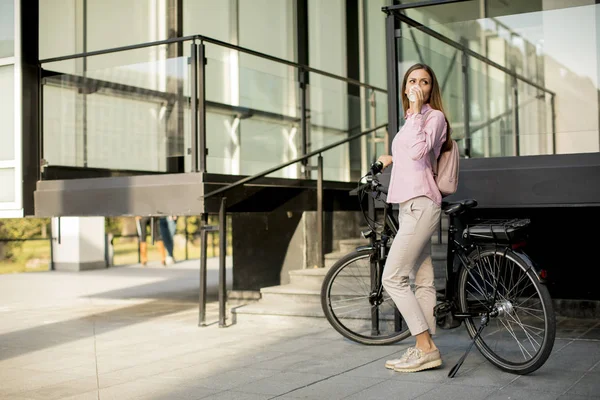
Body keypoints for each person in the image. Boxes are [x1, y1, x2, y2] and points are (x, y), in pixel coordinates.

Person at [375, 63, 453, 373]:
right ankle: (426, 348)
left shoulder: (433, 118)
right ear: (405, 86)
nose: (417, 85)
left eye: (423, 82)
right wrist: (389, 158)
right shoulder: (410, 120)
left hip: (422, 204)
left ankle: (424, 345)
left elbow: (422, 152)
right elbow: (409, 153)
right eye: (412, 80)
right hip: (407, 206)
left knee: (392, 277)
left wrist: (418, 110)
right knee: (422, 279)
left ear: (430, 89)